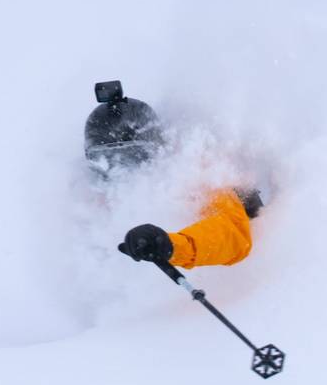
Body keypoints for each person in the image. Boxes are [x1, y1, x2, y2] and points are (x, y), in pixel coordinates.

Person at [84, 80, 262, 269]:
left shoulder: (197, 179)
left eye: (135, 155)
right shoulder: (93, 200)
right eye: (106, 159)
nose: (122, 167)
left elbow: (231, 234)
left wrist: (170, 246)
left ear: (158, 148)